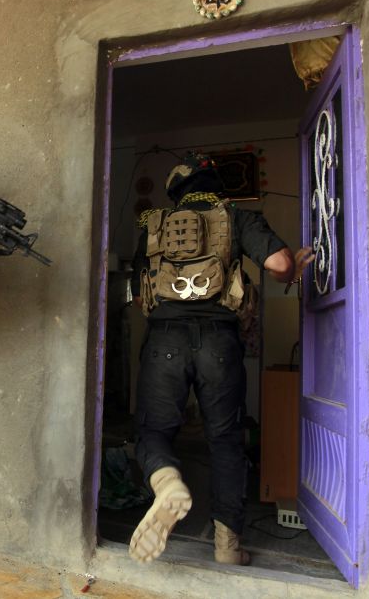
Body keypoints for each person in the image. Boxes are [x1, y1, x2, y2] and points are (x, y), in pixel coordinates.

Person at [128, 152, 313, 566]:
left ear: (176, 191)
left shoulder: (153, 225)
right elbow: (280, 264)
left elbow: (142, 296)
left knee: (153, 430)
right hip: (220, 344)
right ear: (217, 186)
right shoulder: (236, 216)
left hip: (164, 341)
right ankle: (228, 547)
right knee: (226, 441)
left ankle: (167, 480)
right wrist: (293, 270)